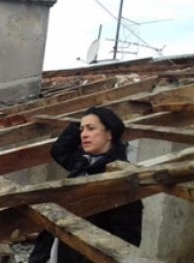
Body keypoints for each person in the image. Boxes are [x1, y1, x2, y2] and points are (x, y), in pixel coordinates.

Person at [29, 106, 143, 263]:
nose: (83, 135)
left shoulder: (121, 178)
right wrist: (84, 120)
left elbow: (126, 240)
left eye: (91, 128)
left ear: (109, 133)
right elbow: (59, 150)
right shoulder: (84, 163)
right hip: (55, 247)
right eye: (82, 130)